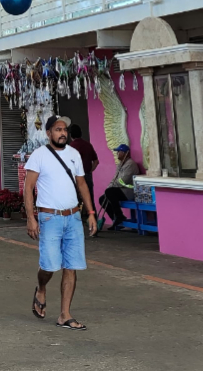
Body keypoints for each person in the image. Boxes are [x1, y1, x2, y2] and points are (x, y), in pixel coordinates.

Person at [23, 115, 97, 331]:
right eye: (57, 129)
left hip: (73, 217)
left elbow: (82, 184)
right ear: (48, 133)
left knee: (71, 266)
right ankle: (41, 287)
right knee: (49, 266)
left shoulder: (74, 154)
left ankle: (65, 315)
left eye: (64, 129)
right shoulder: (39, 156)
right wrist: (31, 217)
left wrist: (91, 212)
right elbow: (28, 188)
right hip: (49, 218)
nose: (62, 133)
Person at [100, 144, 140, 230]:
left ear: (126, 153)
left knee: (110, 192)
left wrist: (111, 187)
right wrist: (109, 186)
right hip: (120, 190)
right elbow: (115, 178)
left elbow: (123, 181)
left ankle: (119, 215)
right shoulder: (120, 165)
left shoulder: (130, 164)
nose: (117, 153)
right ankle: (116, 219)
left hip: (129, 190)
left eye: (119, 152)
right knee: (102, 199)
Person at [68, 124, 99, 230]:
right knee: (89, 199)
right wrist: (90, 170)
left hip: (75, 178)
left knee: (74, 201)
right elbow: (96, 161)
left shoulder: (71, 147)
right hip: (87, 175)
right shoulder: (87, 145)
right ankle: (94, 223)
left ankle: (76, 226)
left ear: (70, 134)